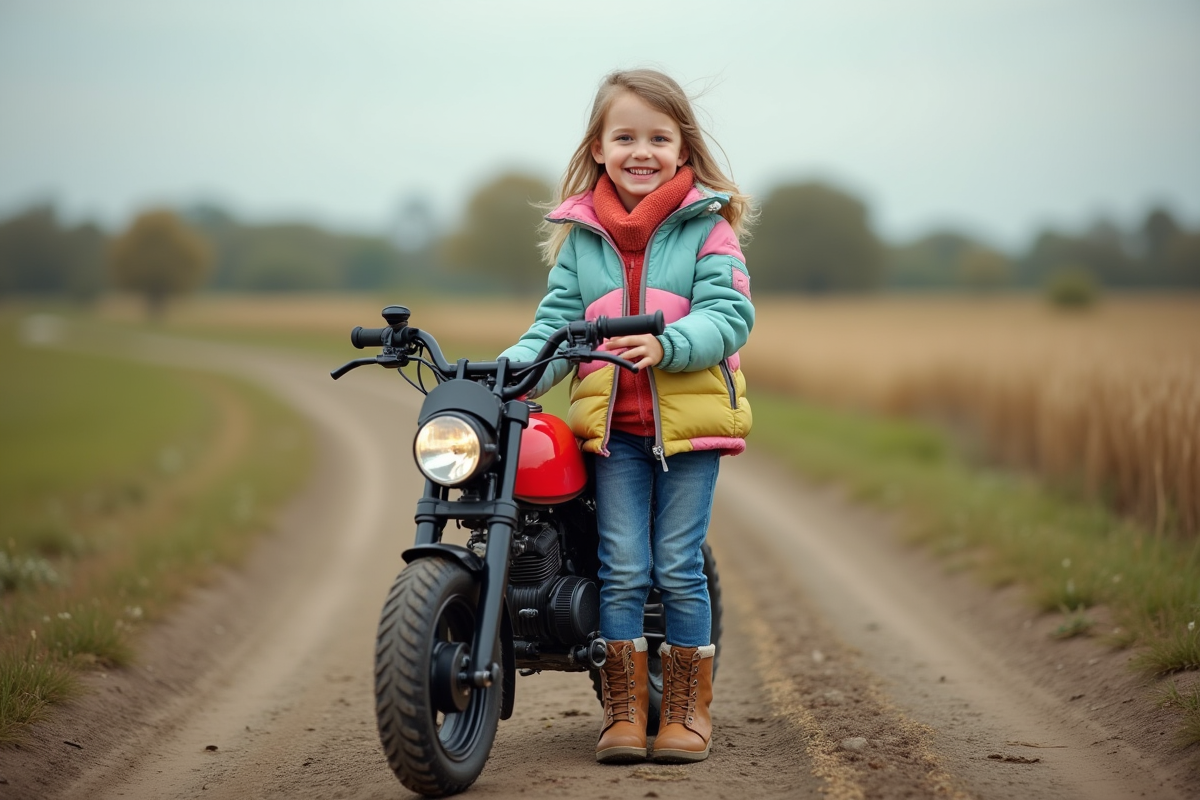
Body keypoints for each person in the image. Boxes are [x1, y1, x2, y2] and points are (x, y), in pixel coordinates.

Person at [499, 68, 754, 764]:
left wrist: (669, 345)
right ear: (600, 148)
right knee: (621, 568)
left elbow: (729, 317)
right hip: (613, 436)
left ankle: (685, 711)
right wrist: (511, 375)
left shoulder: (709, 227)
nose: (642, 150)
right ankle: (620, 712)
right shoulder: (582, 237)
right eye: (625, 136)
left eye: (658, 137)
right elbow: (555, 324)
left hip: (686, 433)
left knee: (676, 565)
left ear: (684, 151)